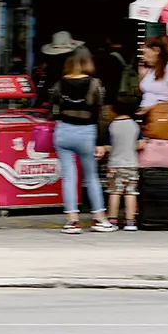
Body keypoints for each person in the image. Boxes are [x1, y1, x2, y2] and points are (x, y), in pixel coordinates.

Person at [50, 46, 116, 234]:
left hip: (63, 132)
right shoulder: (95, 84)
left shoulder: (59, 84)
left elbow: (53, 110)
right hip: (86, 133)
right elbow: (100, 114)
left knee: (69, 177)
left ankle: (72, 221)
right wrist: (101, 142)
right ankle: (99, 218)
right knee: (91, 176)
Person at [105, 99, 144, 231]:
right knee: (131, 192)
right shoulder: (135, 125)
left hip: (115, 164)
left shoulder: (111, 125)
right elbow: (141, 144)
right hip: (132, 163)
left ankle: (112, 220)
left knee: (114, 192)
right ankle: (130, 221)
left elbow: (107, 147)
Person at [138, 35, 168, 117]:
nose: (144, 57)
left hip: (160, 116)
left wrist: (152, 108)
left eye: (145, 53)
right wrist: (141, 76)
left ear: (156, 50)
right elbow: (143, 92)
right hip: (145, 114)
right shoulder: (151, 70)